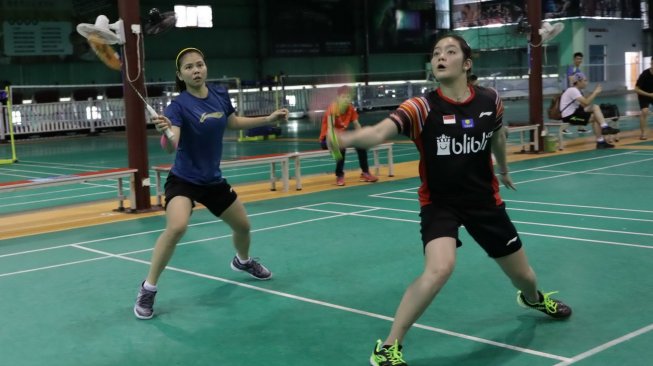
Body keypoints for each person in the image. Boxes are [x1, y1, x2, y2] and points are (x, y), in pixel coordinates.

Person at [329, 34, 572, 366]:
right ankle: (389, 346)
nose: (440, 56)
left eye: (449, 51)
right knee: (439, 268)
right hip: (440, 203)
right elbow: (377, 133)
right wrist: (345, 138)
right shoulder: (421, 107)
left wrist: (502, 168)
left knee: (525, 277)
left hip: (484, 202)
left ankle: (532, 299)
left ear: (466, 64)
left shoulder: (490, 100)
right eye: (436, 53)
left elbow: (497, 135)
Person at [133, 47, 289, 320]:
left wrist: (268, 119)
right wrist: (166, 133)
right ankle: (148, 288)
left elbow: (233, 121)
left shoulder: (219, 94)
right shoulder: (177, 106)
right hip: (184, 179)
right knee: (177, 227)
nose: (196, 70)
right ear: (180, 74)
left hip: (212, 180)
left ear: (206, 67)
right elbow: (173, 145)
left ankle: (242, 261)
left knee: (243, 226)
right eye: (189, 67)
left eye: (200, 64)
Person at [319, 85, 378, 186]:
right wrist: (336, 142)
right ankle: (339, 175)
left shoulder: (350, 108)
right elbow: (330, 128)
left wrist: (361, 137)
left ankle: (365, 173)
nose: (346, 99)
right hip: (327, 139)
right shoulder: (333, 108)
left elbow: (356, 124)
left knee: (360, 144)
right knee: (340, 146)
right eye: (343, 97)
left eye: (348, 97)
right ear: (338, 98)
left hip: (342, 137)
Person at [560, 72, 620, 149]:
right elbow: (586, 102)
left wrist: (591, 95)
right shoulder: (573, 90)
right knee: (596, 117)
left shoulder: (577, 91)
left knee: (595, 107)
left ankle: (604, 129)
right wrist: (595, 92)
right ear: (579, 81)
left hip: (575, 113)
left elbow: (584, 105)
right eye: (585, 80)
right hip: (569, 117)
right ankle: (601, 138)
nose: (586, 83)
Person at [563, 52, 588, 134]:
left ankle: (580, 127)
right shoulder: (572, 68)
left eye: (580, 59)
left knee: (581, 109)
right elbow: (571, 80)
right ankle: (564, 128)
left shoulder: (578, 69)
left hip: (577, 92)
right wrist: (574, 92)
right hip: (572, 94)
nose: (579, 60)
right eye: (577, 59)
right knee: (575, 111)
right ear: (574, 59)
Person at [634, 65, 653, 140]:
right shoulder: (645, 74)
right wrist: (649, 94)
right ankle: (643, 133)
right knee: (645, 111)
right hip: (644, 95)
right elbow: (636, 89)